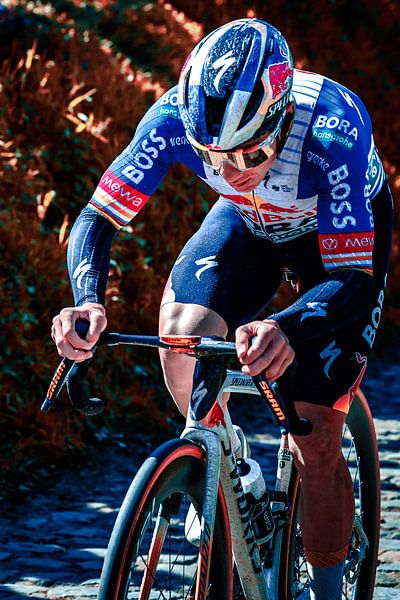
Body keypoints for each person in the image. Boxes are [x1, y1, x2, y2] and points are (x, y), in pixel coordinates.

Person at [51, 18, 393, 599]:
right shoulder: (173, 118)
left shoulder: (333, 133)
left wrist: (284, 326)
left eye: (249, 152)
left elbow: (353, 281)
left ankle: (328, 585)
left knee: (314, 432)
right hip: (248, 225)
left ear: (282, 116)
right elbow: (98, 217)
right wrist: (87, 302)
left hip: (334, 252)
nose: (231, 171)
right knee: (182, 337)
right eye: (213, 157)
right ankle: (230, 469)